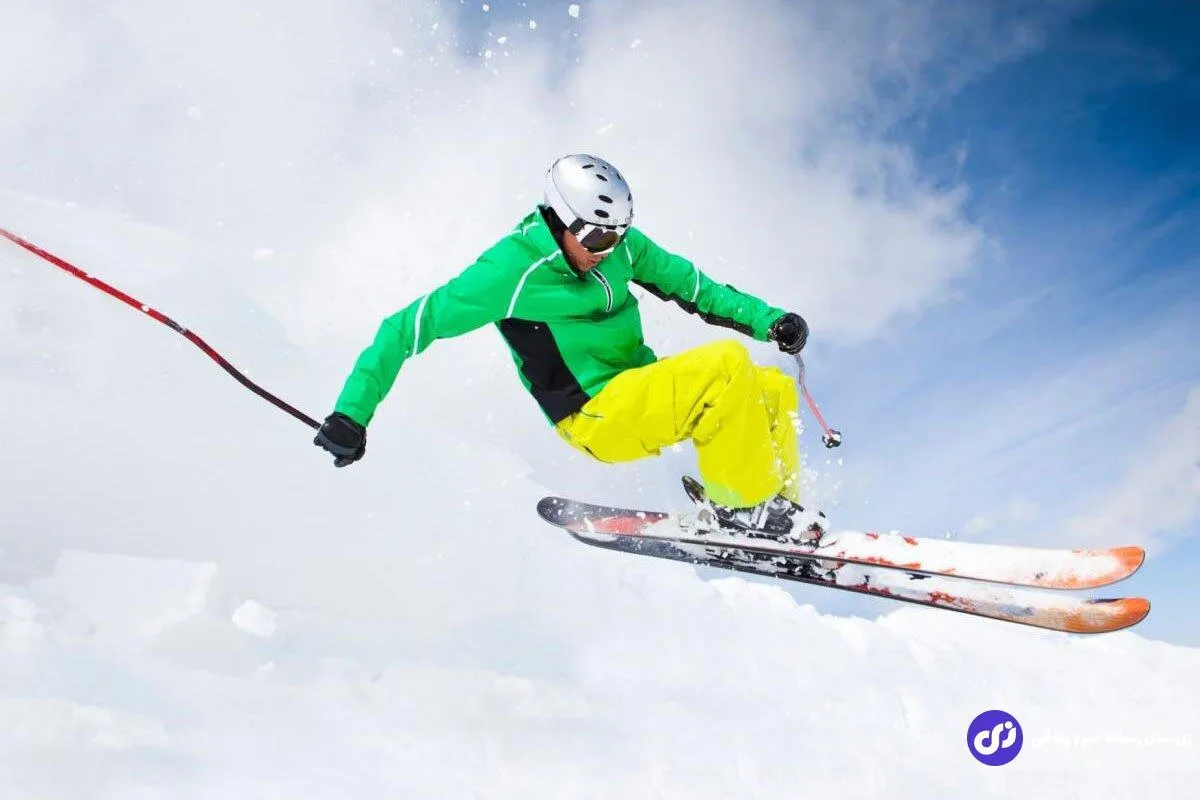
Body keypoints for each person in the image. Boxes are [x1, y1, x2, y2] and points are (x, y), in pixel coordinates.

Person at [314, 154, 827, 541]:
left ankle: (778, 508)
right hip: (592, 413)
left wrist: (769, 321)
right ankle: (741, 509)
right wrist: (351, 413)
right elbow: (407, 327)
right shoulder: (511, 270)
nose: (609, 250)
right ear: (562, 222)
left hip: (636, 388)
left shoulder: (619, 247)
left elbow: (694, 287)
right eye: (598, 239)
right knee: (726, 365)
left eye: (618, 236)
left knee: (769, 385)